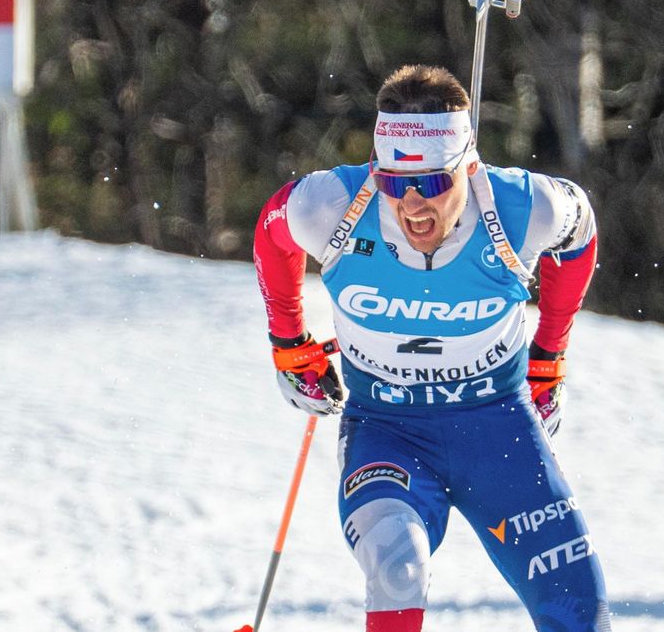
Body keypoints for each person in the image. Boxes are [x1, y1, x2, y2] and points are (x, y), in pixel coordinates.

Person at [253, 64, 609, 632]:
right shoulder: (335, 206)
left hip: (498, 426)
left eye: (434, 183)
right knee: (398, 568)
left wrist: (549, 355)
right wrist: (288, 341)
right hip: (387, 427)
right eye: (394, 182)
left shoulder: (521, 209)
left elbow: (581, 230)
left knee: (578, 609)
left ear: (469, 165)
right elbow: (273, 228)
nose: (413, 205)